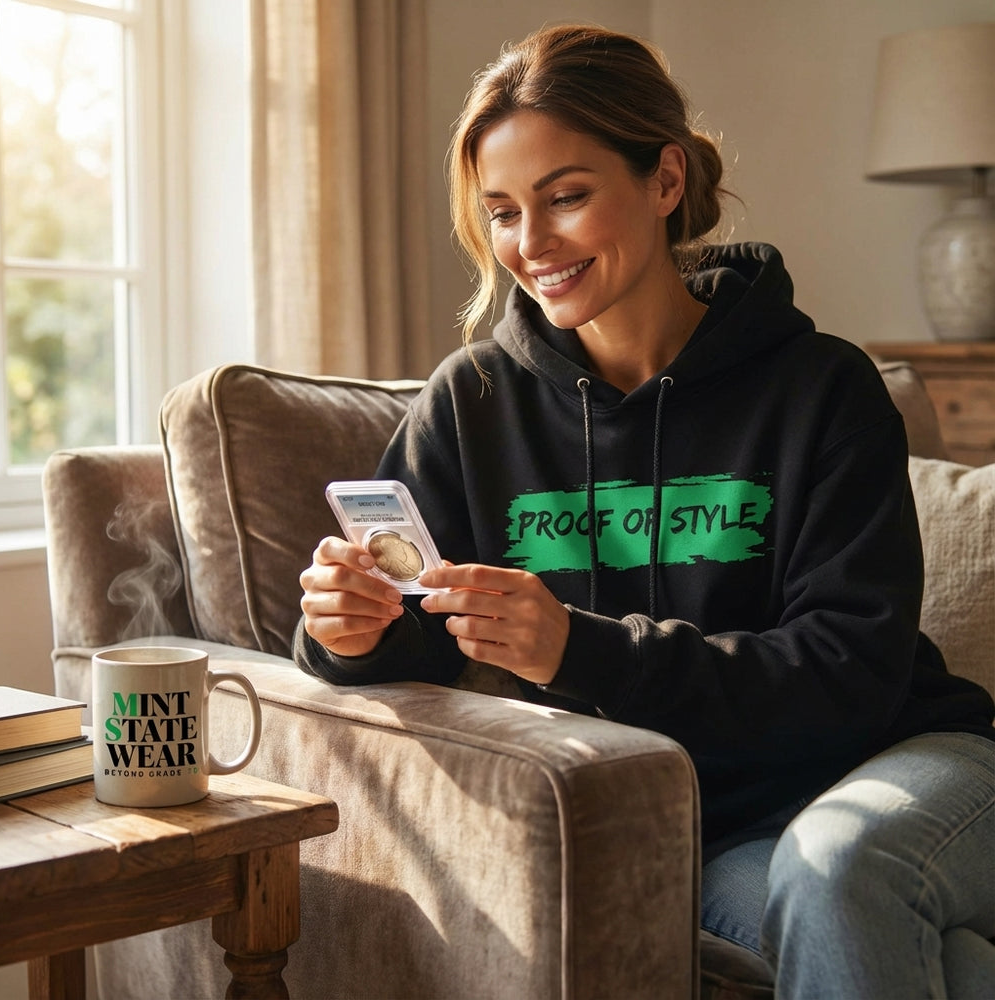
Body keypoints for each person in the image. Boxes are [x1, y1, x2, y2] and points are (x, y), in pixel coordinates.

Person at [295, 23, 995, 998]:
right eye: (502, 212)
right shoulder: (472, 406)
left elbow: (851, 676)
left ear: (665, 181)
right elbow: (413, 634)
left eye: (566, 196)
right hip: (715, 830)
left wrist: (572, 647)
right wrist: (346, 628)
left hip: (907, 764)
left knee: (842, 868)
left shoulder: (822, 388)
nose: (529, 244)